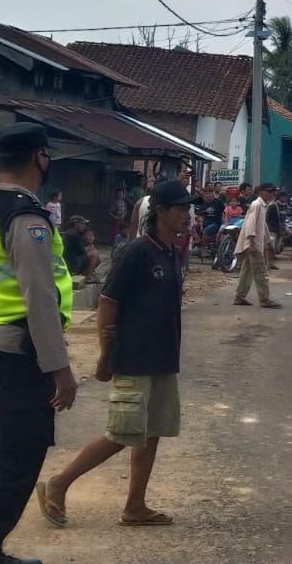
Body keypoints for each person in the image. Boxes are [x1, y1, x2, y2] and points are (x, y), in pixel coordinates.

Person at [39, 179, 196, 530]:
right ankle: (59, 483)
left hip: (162, 358)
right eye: (181, 208)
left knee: (151, 431)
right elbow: (108, 303)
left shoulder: (170, 252)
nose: (187, 215)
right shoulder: (137, 252)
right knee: (121, 433)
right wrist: (104, 356)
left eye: (188, 208)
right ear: (160, 211)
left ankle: (135, 506)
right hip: (134, 358)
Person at [0, 123, 77, 564]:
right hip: (17, 352)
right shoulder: (26, 218)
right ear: (39, 158)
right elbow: (40, 298)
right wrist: (59, 368)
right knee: (20, 459)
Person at [233, 183, 281, 308]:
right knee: (261, 272)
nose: (271, 194)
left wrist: (268, 241)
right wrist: (252, 243)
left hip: (256, 244)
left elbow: (263, 226)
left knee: (247, 271)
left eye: (272, 192)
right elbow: (250, 224)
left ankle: (239, 296)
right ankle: (264, 299)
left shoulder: (262, 206)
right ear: (261, 192)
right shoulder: (257, 205)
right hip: (253, 245)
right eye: (269, 192)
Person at [62, 216, 99, 284]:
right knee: (95, 254)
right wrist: (90, 244)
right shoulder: (74, 234)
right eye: (82, 224)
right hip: (71, 263)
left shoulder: (71, 232)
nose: (84, 226)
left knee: (96, 258)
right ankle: (89, 277)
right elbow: (82, 250)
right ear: (76, 224)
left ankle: (84, 274)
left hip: (70, 261)